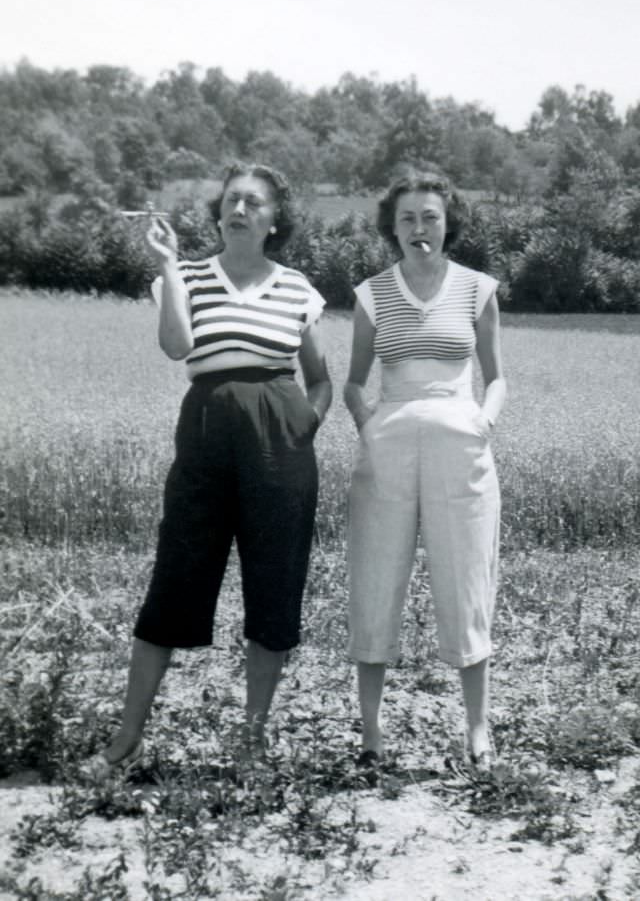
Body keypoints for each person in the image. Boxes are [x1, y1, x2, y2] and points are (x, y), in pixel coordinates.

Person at [86, 162, 332, 778]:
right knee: (176, 576)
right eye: (231, 201)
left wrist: (303, 425)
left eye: (254, 202)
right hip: (205, 440)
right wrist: (168, 266)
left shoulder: (299, 288)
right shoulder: (189, 274)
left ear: (276, 219)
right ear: (219, 212)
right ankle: (126, 739)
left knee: (273, 588)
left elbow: (321, 379)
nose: (240, 210)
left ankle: (252, 743)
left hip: (281, 449)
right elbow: (177, 346)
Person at [343, 168, 505, 772]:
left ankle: (478, 730)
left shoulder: (477, 289)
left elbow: (497, 374)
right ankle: (371, 733)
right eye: (408, 217)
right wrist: (371, 426)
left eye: (430, 217)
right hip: (388, 453)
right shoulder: (371, 293)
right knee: (376, 578)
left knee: (467, 581)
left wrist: (482, 422)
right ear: (393, 226)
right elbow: (354, 382)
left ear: (447, 223)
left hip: (460, 447)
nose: (419, 228)